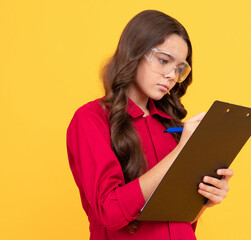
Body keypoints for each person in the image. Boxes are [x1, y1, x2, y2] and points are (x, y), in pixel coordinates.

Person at [66, 10, 234, 239]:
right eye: (164, 61)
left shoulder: (173, 126)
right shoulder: (91, 119)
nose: (171, 76)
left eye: (179, 68)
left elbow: (178, 219)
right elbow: (111, 212)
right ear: (134, 52)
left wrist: (206, 199)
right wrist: (181, 154)